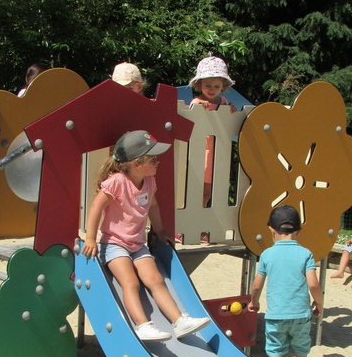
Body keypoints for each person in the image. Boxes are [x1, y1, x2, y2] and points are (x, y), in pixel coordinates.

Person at [82, 129, 211, 342]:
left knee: (155, 279)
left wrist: (159, 230)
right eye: (152, 160)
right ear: (135, 164)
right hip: (114, 244)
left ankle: (179, 321)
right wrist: (89, 238)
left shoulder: (149, 181)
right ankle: (143, 326)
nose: (157, 162)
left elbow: (153, 205)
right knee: (130, 282)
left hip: (138, 245)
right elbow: (96, 207)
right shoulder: (117, 182)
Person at [247, 205, 323, 357]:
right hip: (300, 314)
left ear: (271, 229)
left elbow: (256, 286)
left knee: (275, 348)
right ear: (299, 231)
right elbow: (313, 284)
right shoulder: (306, 254)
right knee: (301, 344)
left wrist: (254, 302)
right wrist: (318, 303)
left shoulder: (267, 254)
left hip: (276, 315)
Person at [189, 56, 237, 209]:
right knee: (197, 186)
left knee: (210, 189)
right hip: (201, 149)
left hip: (217, 149)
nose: (212, 89)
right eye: (207, 85)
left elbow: (228, 114)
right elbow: (192, 113)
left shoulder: (222, 102)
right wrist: (198, 107)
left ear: (223, 86)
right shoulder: (197, 102)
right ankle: (195, 214)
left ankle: (203, 216)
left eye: (216, 86)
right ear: (199, 84)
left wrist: (231, 108)